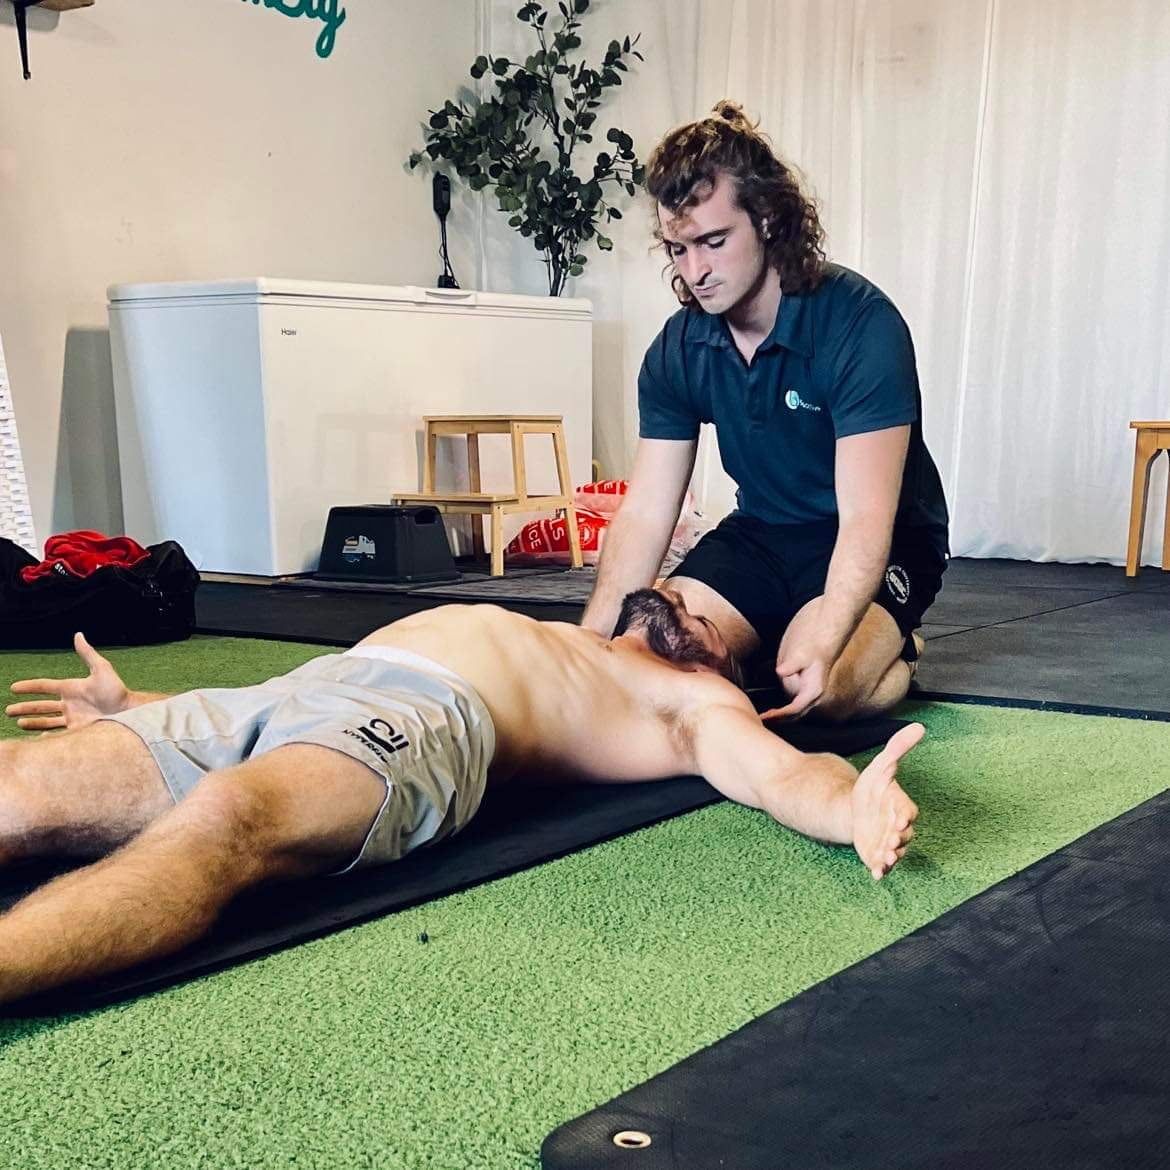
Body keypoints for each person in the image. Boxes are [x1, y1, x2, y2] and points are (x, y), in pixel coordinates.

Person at [0, 592, 922, 1006]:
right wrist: (146, 707)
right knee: (18, 784)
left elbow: (777, 772)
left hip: (426, 725)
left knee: (224, 821)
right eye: (685, 592)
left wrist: (849, 806)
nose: (689, 604)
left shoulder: (692, 703)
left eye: (713, 624)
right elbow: (317, 696)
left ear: (729, 667)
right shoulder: (580, 636)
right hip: (306, 686)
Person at [582, 102, 950, 723]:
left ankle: (899, 644)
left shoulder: (861, 325)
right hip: (760, 537)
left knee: (821, 692)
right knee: (643, 656)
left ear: (770, 219)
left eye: (714, 241)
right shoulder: (680, 347)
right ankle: (765, 643)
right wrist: (587, 649)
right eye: (678, 249)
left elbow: (865, 519)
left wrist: (831, 632)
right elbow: (645, 512)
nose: (695, 270)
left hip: (874, 539)